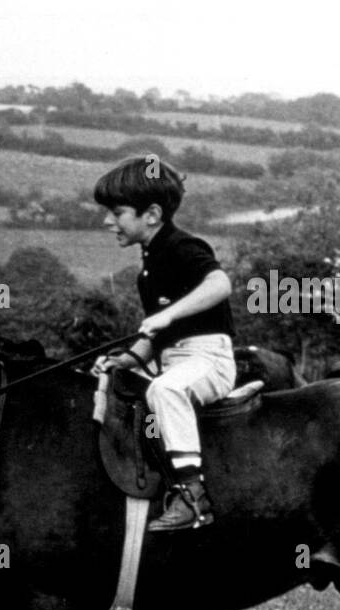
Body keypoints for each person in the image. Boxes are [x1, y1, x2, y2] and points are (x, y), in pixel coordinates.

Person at [95, 156, 236, 531]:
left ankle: (193, 494)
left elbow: (219, 285)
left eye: (118, 212)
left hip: (208, 361)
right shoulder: (149, 266)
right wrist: (126, 358)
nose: (108, 222)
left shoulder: (182, 247)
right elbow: (154, 339)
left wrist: (169, 314)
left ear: (152, 213)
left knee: (166, 390)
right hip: (171, 359)